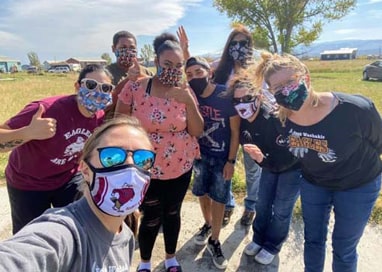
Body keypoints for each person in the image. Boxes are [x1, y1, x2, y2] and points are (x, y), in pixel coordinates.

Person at [255, 52, 382, 272]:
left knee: (344, 248)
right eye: (277, 87)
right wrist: (264, 161)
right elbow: (288, 156)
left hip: (358, 186)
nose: (285, 90)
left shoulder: (355, 109)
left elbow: (379, 142)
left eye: (290, 81)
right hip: (315, 184)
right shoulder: (280, 120)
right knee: (312, 240)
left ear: (306, 77)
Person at [0, 117, 155, 271]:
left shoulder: (126, 236)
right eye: (112, 157)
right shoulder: (64, 233)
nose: (130, 165)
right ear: (85, 170)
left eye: (143, 159)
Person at [115, 32, 203, 272]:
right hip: (145, 167)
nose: (173, 70)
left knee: (173, 212)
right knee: (151, 216)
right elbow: (119, 123)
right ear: (156, 62)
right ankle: (144, 262)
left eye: (178, 65)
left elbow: (196, 130)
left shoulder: (184, 90)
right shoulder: (137, 87)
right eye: (167, 64)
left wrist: (189, 102)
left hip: (180, 166)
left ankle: (171, 258)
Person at [0, 64, 113, 234]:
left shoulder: (99, 117)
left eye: (105, 88)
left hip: (67, 179)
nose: (98, 93)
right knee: (31, 237)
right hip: (28, 183)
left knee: (76, 228)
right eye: (91, 85)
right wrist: (28, 132)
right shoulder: (46, 109)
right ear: (77, 86)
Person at [226, 68, 301, 265]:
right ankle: (259, 239)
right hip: (268, 166)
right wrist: (263, 161)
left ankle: (273, 245)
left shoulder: (275, 120)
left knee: (282, 209)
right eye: (237, 100)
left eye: (247, 98)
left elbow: (291, 155)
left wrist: (262, 159)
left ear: (259, 96)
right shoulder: (242, 123)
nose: (242, 104)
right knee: (262, 204)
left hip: (292, 169)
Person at [185, 56, 240, 269]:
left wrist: (231, 161)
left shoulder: (224, 95)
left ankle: (215, 240)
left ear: (209, 72)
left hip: (221, 157)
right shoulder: (190, 96)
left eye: (199, 72)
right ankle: (207, 224)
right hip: (199, 156)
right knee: (202, 193)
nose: (194, 77)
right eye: (189, 74)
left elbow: (235, 131)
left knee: (219, 198)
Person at [212, 24, 262, 226]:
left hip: (251, 126)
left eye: (243, 43)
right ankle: (228, 203)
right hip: (226, 125)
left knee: (252, 169)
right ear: (228, 45)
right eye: (234, 43)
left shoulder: (257, 68)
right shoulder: (219, 66)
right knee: (227, 166)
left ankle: (251, 206)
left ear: (250, 46)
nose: (238, 47)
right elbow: (197, 72)